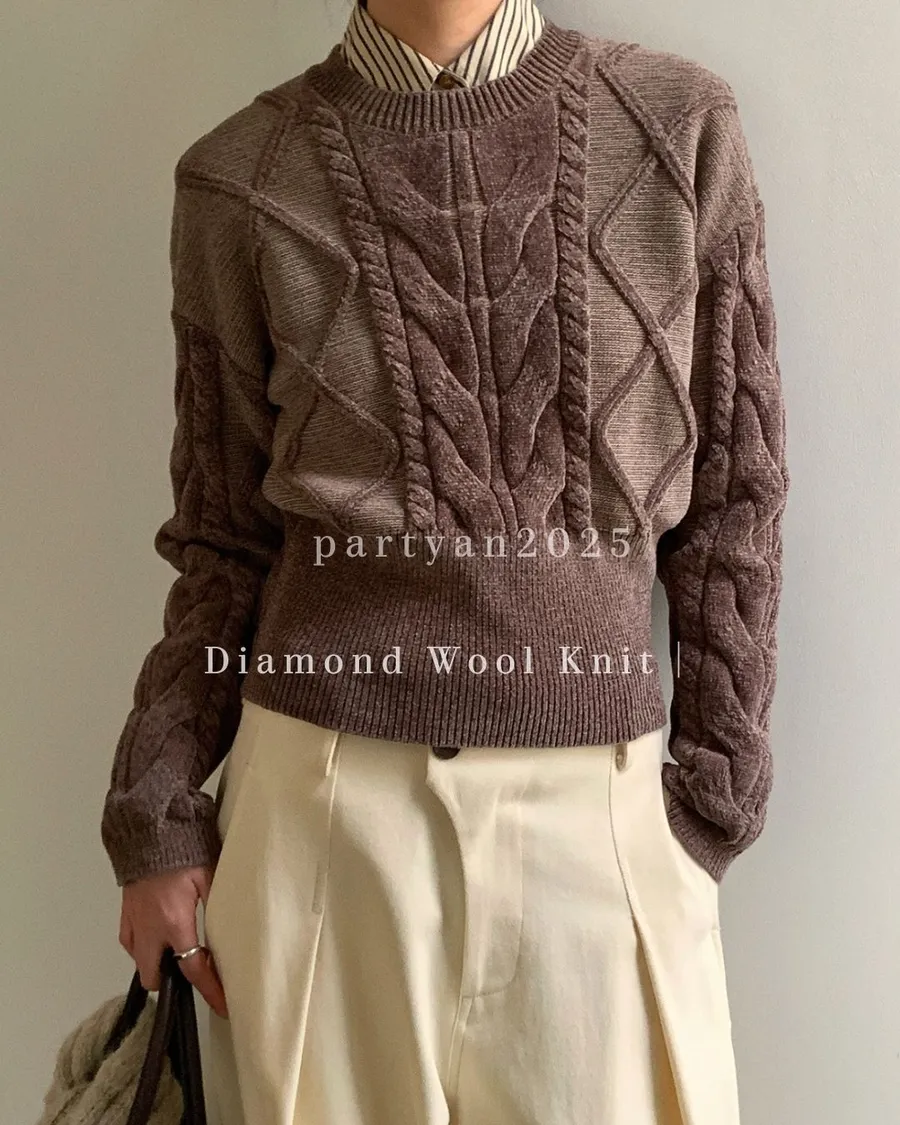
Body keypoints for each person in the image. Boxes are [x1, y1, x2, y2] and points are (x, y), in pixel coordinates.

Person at [101, 1, 790, 1122]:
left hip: (603, 821)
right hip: (324, 820)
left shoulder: (678, 127)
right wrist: (157, 810)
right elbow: (222, 540)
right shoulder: (239, 178)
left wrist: (715, 797)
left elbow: (736, 498)